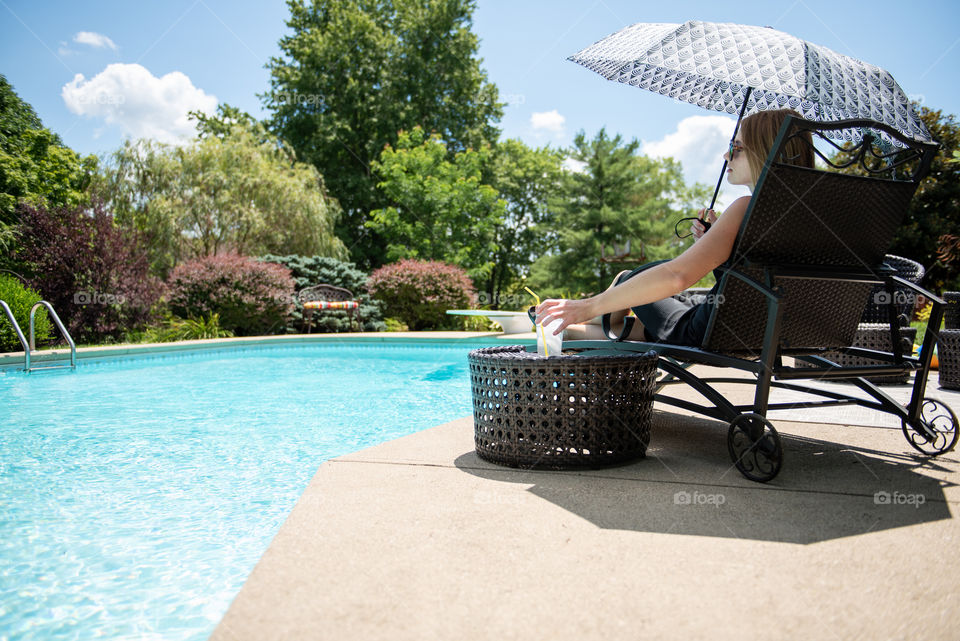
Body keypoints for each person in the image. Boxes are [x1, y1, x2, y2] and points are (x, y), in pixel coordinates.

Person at [535, 108, 815, 346]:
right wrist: (720, 243)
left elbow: (676, 276)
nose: (726, 156)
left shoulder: (746, 208)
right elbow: (762, 283)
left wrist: (586, 305)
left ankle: (579, 314)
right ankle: (573, 327)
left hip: (711, 333)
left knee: (635, 276)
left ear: (767, 152)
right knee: (645, 301)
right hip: (784, 333)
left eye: (736, 148)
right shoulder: (815, 217)